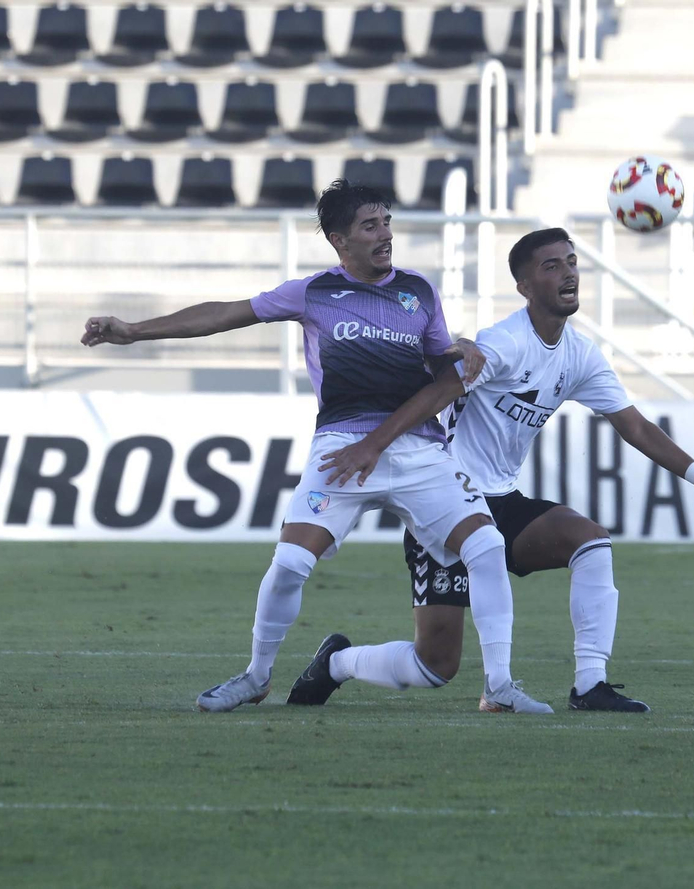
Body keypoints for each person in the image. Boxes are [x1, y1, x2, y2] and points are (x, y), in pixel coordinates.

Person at [80, 179, 553, 716]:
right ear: (338, 240)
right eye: (370, 226)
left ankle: (500, 687)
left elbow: (445, 379)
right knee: (287, 564)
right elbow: (223, 314)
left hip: (417, 449)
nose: (385, 235)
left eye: (387, 222)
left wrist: (458, 349)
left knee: (486, 547)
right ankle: (256, 676)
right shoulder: (314, 293)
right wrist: (134, 331)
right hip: (342, 447)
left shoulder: (418, 291)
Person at [283, 228, 694, 713]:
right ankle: (338, 664)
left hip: (503, 502)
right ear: (523, 285)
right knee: (434, 666)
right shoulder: (505, 344)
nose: (568, 272)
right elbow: (437, 388)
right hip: (445, 503)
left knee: (591, 541)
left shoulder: (581, 356)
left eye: (572, 262)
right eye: (551, 265)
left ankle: (589, 685)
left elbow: (634, 426)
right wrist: (378, 438)